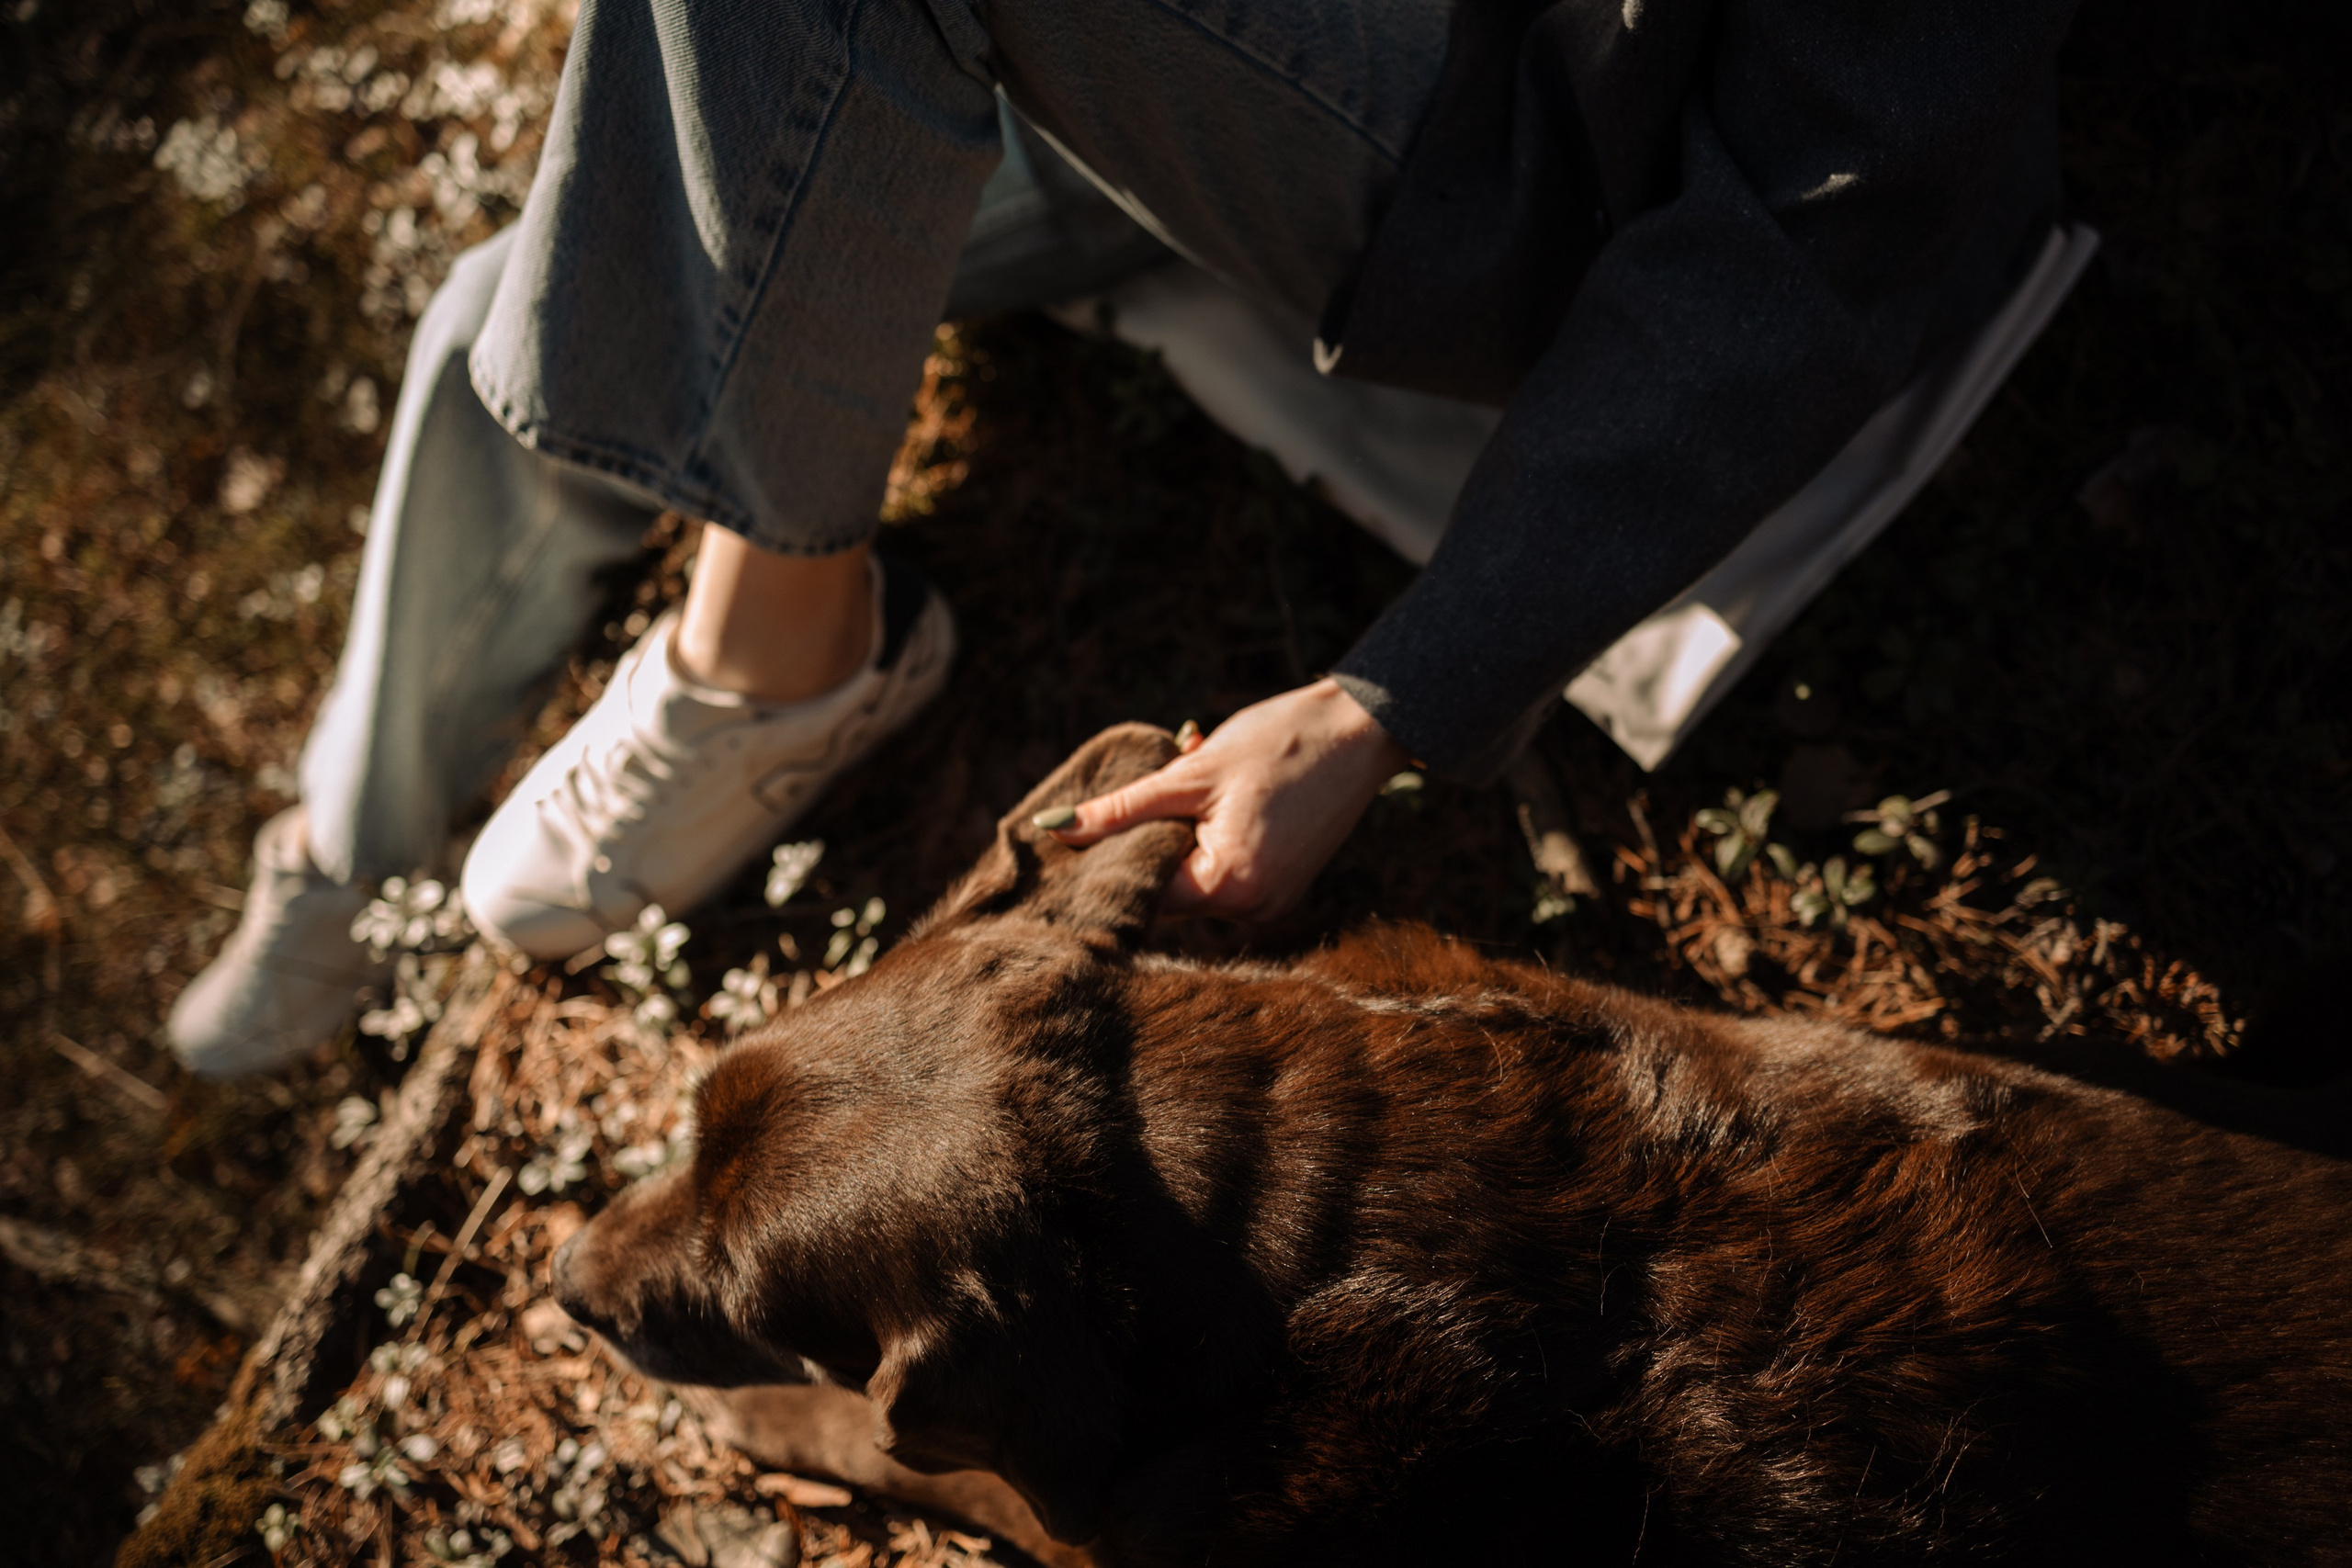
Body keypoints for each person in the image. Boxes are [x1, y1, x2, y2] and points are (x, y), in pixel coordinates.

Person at [168, 0, 2076, 1077]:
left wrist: (1391, 689)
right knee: (518, 299)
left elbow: (1823, 225)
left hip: (1534, 164)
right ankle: (354, 853)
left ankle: (778, 660)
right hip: (1204, 77)